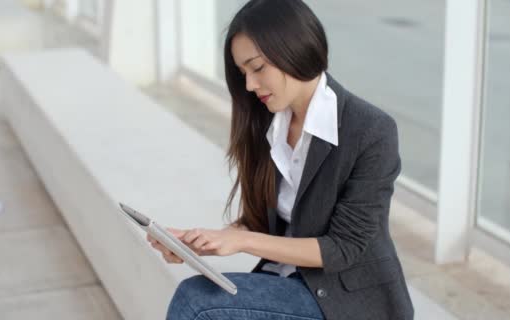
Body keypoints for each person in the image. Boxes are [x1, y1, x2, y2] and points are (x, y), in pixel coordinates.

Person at [147, 0, 414, 319]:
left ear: (295, 49)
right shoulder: (269, 123)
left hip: (346, 300)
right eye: (243, 72)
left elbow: (342, 248)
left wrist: (241, 240)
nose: (249, 85)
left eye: (257, 68)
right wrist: (200, 242)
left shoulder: (371, 131)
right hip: (285, 278)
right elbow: (262, 222)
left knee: (195, 302)